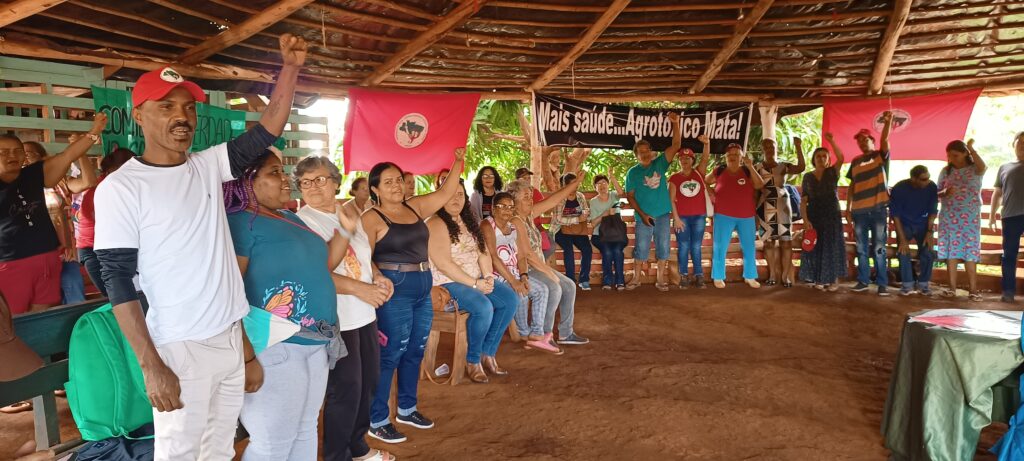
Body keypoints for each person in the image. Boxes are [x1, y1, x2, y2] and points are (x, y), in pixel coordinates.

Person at [92, 35, 307, 461]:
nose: (182, 116)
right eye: (166, 106)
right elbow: (116, 279)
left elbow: (268, 129)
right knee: (180, 454)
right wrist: (151, 366)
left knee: (219, 450)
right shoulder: (121, 188)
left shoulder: (207, 166)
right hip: (179, 347)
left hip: (228, 336)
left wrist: (291, 68)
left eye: (188, 107)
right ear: (139, 115)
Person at [224, 151, 343, 461]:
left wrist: (347, 230)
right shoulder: (240, 223)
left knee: (305, 429)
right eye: (274, 172)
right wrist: (247, 357)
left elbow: (320, 266)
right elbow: (229, 294)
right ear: (246, 182)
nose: (285, 179)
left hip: (315, 341)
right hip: (273, 346)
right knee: (272, 443)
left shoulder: (289, 217)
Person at [294, 155, 395, 461]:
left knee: (369, 382)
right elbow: (314, 272)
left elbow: (363, 255)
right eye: (305, 182)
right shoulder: (302, 222)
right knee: (345, 389)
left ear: (335, 182)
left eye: (320, 179)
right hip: (336, 318)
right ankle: (337, 454)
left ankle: (358, 445)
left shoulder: (346, 213)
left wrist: (377, 276)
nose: (313, 187)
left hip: (364, 314)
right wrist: (361, 289)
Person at [361, 149, 465, 444]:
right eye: (388, 182)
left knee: (415, 350)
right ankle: (377, 419)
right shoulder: (371, 218)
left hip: (422, 285)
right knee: (390, 353)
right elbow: (363, 256)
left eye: (398, 179)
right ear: (375, 189)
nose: (396, 185)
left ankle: (407, 409)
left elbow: (444, 193)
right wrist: (377, 276)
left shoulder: (415, 207)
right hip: (394, 289)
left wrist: (458, 162)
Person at [0, 115, 106, 315]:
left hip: (48, 259)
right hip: (10, 263)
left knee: (43, 315)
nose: (11, 155)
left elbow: (67, 155)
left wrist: (94, 132)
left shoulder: (33, 174)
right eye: (3, 152)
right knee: (13, 318)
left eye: (17, 151)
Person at [428, 182, 518, 383]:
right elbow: (444, 264)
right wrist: (475, 284)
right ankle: (473, 360)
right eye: (451, 194)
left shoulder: (468, 221)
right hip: (448, 283)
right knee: (483, 307)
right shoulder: (435, 223)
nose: (456, 199)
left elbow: (483, 252)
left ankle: (488, 353)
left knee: (510, 300)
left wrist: (488, 277)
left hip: (476, 278)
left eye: (460, 194)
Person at [507, 177, 589, 349]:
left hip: (537, 266)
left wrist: (573, 185)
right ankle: (544, 334)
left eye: (530, 196)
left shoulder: (529, 215)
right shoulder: (515, 221)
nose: (530, 199)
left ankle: (566, 333)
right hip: (526, 269)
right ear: (514, 201)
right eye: (525, 197)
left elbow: (553, 200)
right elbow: (527, 255)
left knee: (569, 286)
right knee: (554, 287)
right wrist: (549, 272)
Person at [24, 140, 99, 304]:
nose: (23, 159)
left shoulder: (59, 184)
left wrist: (81, 153)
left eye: (28, 154)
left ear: (43, 159)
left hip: (64, 256)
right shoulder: (12, 190)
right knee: (40, 305)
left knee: (75, 299)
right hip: (31, 259)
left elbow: (88, 182)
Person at [482, 192, 552, 350]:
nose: (507, 210)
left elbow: (521, 256)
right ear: (493, 209)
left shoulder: (513, 228)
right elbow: (493, 257)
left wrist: (524, 276)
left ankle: (536, 333)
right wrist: (514, 283)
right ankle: (523, 332)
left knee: (542, 290)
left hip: (515, 274)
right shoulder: (487, 225)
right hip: (496, 277)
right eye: (502, 206)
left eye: (510, 207)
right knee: (520, 293)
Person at [625, 112, 682, 291]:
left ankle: (660, 279)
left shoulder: (660, 163)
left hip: (663, 215)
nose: (645, 154)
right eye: (641, 152)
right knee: (641, 248)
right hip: (643, 218)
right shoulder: (633, 173)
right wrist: (642, 215)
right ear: (636, 155)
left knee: (663, 247)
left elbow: (676, 145)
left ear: (651, 151)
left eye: (647, 151)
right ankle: (636, 278)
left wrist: (675, 123)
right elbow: (630, 196)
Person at [846, 111, 895, 296]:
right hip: (859, 211)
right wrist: (848, 209)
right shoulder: (855, 162)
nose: (862, 142)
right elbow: (852, 186)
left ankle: (882, 284)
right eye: (859, 140)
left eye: (865, 139)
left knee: (879, 248)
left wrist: (888, 123)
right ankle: (863, 281)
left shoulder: (880, 156)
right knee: (861, 248)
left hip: (878, 209)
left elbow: (885, 140)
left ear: (872, 141)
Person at [706, 143, 764, 289]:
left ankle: (750, 276)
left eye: (736, 154)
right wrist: (711, 192)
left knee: (749, 247)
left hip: (746, 215)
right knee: (720, 246)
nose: (732, 157)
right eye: (729, 155)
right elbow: (704, 181)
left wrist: (750, 166)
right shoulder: (719, 170)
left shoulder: (747, 170)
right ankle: (718, 276)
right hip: (723, 215)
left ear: (741, 156)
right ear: (725, 157)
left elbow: (759, 185)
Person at [77, 148, 135, 296]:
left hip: (116, 247)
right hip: (95, 250)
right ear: (110, 171)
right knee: (115, 295)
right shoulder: (102, 189)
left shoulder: (125, 186)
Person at [938, 140, 987, 301]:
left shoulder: (975, 169)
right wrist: (945, 192)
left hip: (970, 218)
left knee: (970, 251)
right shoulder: (946, 171)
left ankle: (973, 290)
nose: (951, 159)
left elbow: (983, 167)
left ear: (966, 153)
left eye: (955, 155)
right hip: (949, 216)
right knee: (951, 251)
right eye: (949, 156)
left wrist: (971, 148)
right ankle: (951, 289)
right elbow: (937, 192)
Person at [755, 137, 806, 288]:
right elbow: (754, 191)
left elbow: (801, 167)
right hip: (764, 206)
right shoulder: (757, 168)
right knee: (768, 242)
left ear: (776, 148)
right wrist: (754, 213)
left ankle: (785, 277)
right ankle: (772, 275)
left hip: (783, 206)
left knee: (786, 241)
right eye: (766, 147)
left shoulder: (783, 166)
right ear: (762, 149)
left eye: (772, 146)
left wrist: (798, 147)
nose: (769, 149)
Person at [800, 133, 848, 291]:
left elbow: (841, 158)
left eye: (824, 156)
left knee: (831, 246)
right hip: (814, 215)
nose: (821, 158)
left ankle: (833, 280)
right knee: (816, 246)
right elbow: (804, 200)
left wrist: (831, 141)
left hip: (831, 215)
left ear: (828, 159)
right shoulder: (807, 177)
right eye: (818, 156)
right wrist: (805, 220)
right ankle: (819, 278)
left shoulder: (832, 172)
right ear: (813, 160)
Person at [669, 135, 712, 289]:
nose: (684, 160)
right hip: (682, 218)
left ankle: (699, 275)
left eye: (688, 158)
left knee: (695, 246)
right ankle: (684, 275)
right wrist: (676, 218)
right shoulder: (674, 178)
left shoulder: (699, 172)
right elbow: (671, 200)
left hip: (699, 216)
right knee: (683, 246)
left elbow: (705, 158)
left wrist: (706, 144)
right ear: (678, 161)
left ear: (693, 160)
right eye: (682, 158)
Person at [889, 165, 938, 297]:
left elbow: (933, 211)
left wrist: (929, 232)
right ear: (913, 179)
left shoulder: (931, 187)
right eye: (923, 179)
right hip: (904, 224)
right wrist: (902, 239)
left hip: (923, 225)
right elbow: (896, 216)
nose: (927, 181)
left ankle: (923, 284)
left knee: (929, 251)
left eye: (928, 178)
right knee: (903, 251)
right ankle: (907, 285)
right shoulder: (899, 188)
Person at [990, 132, 1024, 303]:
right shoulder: (1004, 167)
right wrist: (992, 216)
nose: (1023, 145)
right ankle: (1008, 291)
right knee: (1009, 254)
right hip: (1011, 216)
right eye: (1020, 142)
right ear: (1014, 145)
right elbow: (997, 193)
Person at [551, 173, 593, 289]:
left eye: (576, 183)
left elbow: (585, 210)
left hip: (578, 230)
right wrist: (577, 219)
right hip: (560, 230)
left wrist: (586, 214)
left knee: (587, 249)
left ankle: (584, 279)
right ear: (565, 185)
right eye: (573, 184)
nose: (575, 186)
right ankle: (571, 280)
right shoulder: (560, 198)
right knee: (568, 249)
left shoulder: (580, 196)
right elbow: (558, 219)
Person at [589, 168, 627, 290]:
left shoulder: (614, 196)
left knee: (617, 251)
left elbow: (622, 193)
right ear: (595, 187)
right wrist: (604, 214)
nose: (602, 186)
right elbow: (593, 224)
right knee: (608, 251)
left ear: (608, 184)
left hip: (617, 235)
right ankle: (607, 281)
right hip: (600, 236)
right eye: (598, 184)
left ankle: (620, 281)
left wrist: (612, 177)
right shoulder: (593, 202)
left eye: (604, 183)